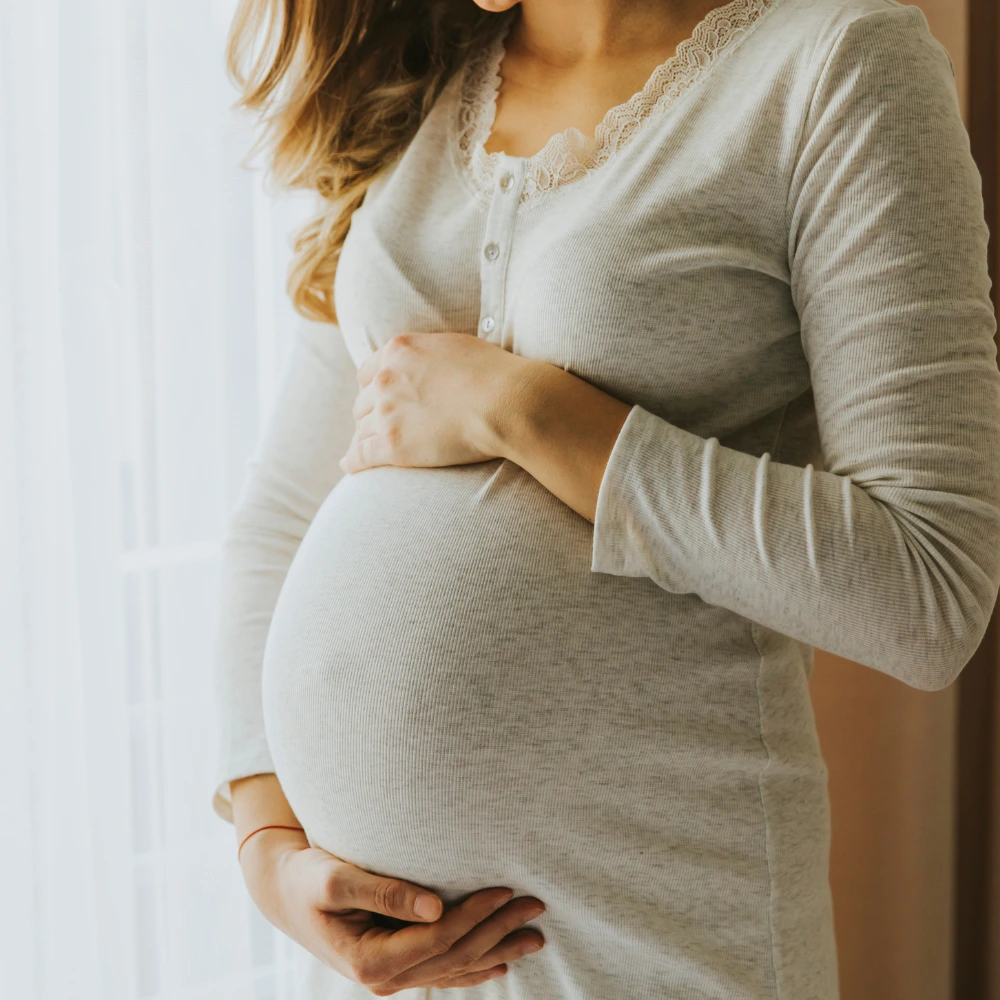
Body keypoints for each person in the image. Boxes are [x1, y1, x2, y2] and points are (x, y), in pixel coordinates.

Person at [210, 0, 1000, 996]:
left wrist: (531, 412)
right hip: (389, 964)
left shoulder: (832, 65)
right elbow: (281, 515)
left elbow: (929, 590)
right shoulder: (418, 78)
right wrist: (269, 847)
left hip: (655, 936)